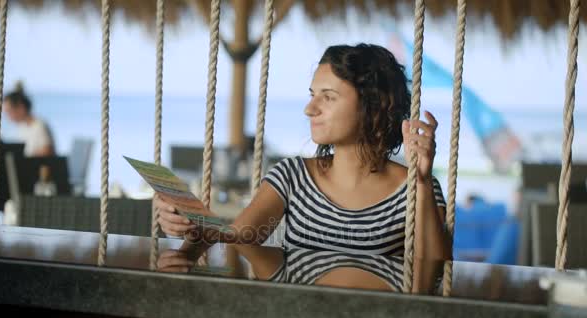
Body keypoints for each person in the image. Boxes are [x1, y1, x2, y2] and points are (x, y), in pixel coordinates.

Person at [156, 43, 451, 284]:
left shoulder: (417, 187)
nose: (310, 109)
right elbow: (241, 237)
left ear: (373, 106)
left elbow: (435, 273)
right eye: (312, 95)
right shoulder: (292, 175)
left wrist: (422, 182)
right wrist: (193, 235)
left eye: (328, 97)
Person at [3, 82, 55, 157]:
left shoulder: (39, 125)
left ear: (21, 108)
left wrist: (23, 159)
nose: (8, 117)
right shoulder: (22, 127)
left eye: (9, 112)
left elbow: (47, 151)